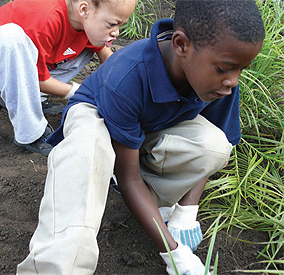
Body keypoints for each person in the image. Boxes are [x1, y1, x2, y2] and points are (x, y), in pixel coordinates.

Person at [17, 0, 265, 274]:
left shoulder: (219, 81)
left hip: (140, 132)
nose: (233, 80)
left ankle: (146, 199)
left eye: (241, 69)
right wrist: (174, 254)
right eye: (224, 68)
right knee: (86, 155)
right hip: (96, 116)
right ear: (181, 45)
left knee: (215, 146)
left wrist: (186, 212)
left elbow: (217, 145)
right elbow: (130, 178)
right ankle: (56, 267)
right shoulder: (127, 75)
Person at [0, 0, 135, 156]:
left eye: (120, 26)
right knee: (11, 37)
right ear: (84, 9)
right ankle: (30, 133)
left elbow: (106, 57)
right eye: (111, 24)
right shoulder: (46, 18)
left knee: (89, 46)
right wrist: (82, 93)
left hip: (13, 65)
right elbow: (37, 78)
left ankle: (33, 99)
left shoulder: (82, 18)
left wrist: (121, 91)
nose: (116, 32)